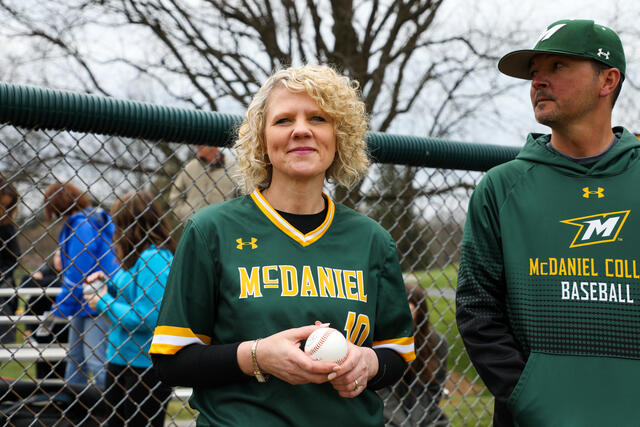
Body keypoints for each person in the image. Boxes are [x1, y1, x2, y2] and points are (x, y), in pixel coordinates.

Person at [150, 64, 416, 426]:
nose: (302, 130)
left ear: (340, 136)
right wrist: (256, 356)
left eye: (319, 119)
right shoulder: (211, 230)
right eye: (283, 120)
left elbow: (396, 353)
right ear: (261, 140)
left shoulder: (373, 240)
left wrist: (366, 363)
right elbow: (171, 361)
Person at [456, 19, 638, 427]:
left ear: (608, 80)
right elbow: (477, 310)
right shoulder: (501, 188)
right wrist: (535, 398)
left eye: (557, 67)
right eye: (534, 71)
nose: (538, 80)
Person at [84, 190, 174, 426]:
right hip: (121, 360)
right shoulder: (138, 257)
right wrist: (107, 286)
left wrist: (103, 301)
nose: (114, 232)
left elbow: (147, 317)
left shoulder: (155, 258)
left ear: (130, 225)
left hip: (144, 367)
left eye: (117, 224)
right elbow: (129, 292)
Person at [43, 181, 119, 389]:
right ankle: (74, 409)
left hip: (93, 298)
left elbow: (79, 272)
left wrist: (58, 309)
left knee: (95, 359)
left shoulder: (81, 225)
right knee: (76, 359)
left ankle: (116, 409)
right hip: (89, 297)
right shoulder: (92, 219)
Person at [379, 284, 449, 426]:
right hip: (387, 413)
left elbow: (434, 391)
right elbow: (381, 393)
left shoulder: (437, 343)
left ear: (420, 311)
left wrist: (414, 422)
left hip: (423, 413)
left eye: (411, 305)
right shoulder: (382, 341)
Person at [20, 249, 68, 379]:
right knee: (43, 362)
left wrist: (40, 282)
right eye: (57, 255)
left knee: (63, 363)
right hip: (44, 325)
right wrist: (28, 328)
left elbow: (66, 284)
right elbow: (25, 283)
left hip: (65, 326)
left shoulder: (72, 274)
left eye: (63, 256)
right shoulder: (47, 270)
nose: (59, 259)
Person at [169, 144, 238, 223]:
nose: (196, 145)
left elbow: (242, 197)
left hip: (223, 225)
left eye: (202, 142)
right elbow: (175, 195)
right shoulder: (189, 168)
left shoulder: (234, 167)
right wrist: (185, 215)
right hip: (194, 225)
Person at [0, 174, 20, 344]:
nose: (3, 209)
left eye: (7, 206)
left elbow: (14, 257)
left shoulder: (6, 226)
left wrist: (2, 274)